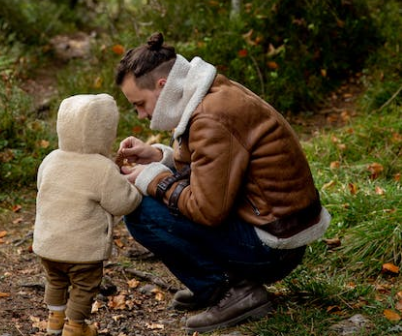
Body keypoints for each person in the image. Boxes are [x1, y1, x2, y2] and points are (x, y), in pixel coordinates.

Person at [114, 32, 331, 333]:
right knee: (154, 199)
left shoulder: (211, 117)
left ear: (162, 86)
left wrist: (153, 179)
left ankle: (231, 292)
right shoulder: (212, 93)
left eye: (139, 103)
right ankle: (213, 285)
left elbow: (207, 209)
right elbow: (212, 167)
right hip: (277, 227)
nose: (140, 114)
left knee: (140, 212)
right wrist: (157, 158)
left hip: (272, 248)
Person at [33, 94, 142, 336]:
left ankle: (54, 321)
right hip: (83, 250)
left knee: (56, 280)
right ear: (105, 132)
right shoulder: (101, 168)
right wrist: (137, 189)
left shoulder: (51, 159)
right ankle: (75, 327)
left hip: (48, 244)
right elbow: (123, 203)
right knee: (84, 286)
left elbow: (43, 187)